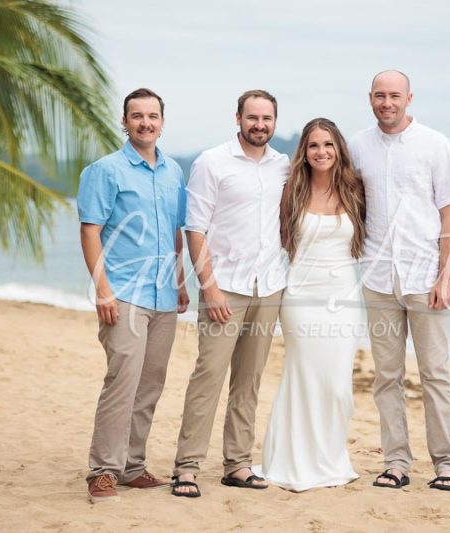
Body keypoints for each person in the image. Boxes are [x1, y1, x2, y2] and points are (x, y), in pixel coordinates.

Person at [349, 70, 450, 491]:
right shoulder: (358, 146)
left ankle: (448, 464)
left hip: (424, 277)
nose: (387, 102)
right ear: (370, 99)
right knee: (386, 376)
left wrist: (446, 276)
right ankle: (396, 463)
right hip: (378, 276)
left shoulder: (436, 145)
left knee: (435, 372)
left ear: (409, 98)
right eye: (380, 96)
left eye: (394, 95)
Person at [171, 90, 290, 497]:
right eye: (252, 117)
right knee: (209, 375)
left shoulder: (284, 166)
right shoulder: (212, 162)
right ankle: (186, 467)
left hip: (269, 287)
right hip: (226, 288)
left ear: (275, 122)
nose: (260, 125)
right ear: (237, 118)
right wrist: (210, 288)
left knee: (249, 379)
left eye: (267, 118)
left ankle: (237, 463)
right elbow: (195, 228)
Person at [77, 88, 189, 503]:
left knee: (150, 385)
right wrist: (102, 290)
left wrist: (180, 283)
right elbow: (90, 230)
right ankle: (103, 470)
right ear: (123, 122)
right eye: (137, 116)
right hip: (123, 293)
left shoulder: (174, 172)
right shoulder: (105, 171)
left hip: (163, 296)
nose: (145, 122)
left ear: (162, 121)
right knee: (121, 381)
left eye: (152, 115)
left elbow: (175, 232)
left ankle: (133, 466)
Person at [260, 118, 366, 491]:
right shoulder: (292, 190)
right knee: (303, 376)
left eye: (328, 145)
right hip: (301, 296)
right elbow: (270, 240)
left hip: (344, 296)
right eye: (313, 146)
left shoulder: (356, 190)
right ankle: (291, 461)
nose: (321, 152)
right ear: (303, 152)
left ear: (339, 149)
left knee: (337, 384)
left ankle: (330, 458)